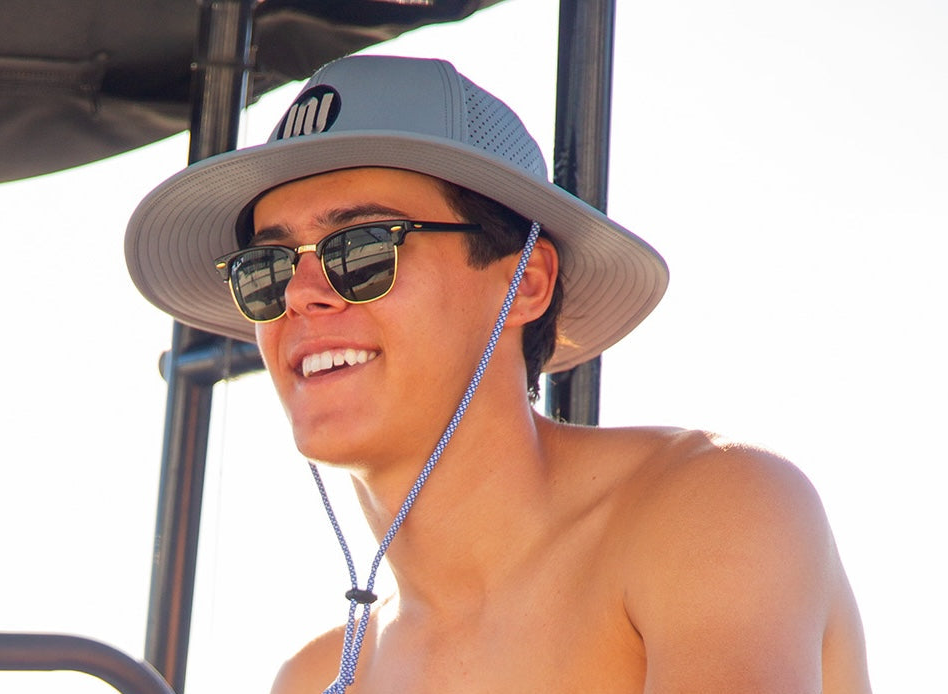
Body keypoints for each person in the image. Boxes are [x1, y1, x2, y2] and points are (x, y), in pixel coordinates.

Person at [124, 56, 869, 693]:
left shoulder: (713, 507)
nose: (299, 294)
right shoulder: (314, 675)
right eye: (265, 268)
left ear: (524, 282)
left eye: (363, 249)